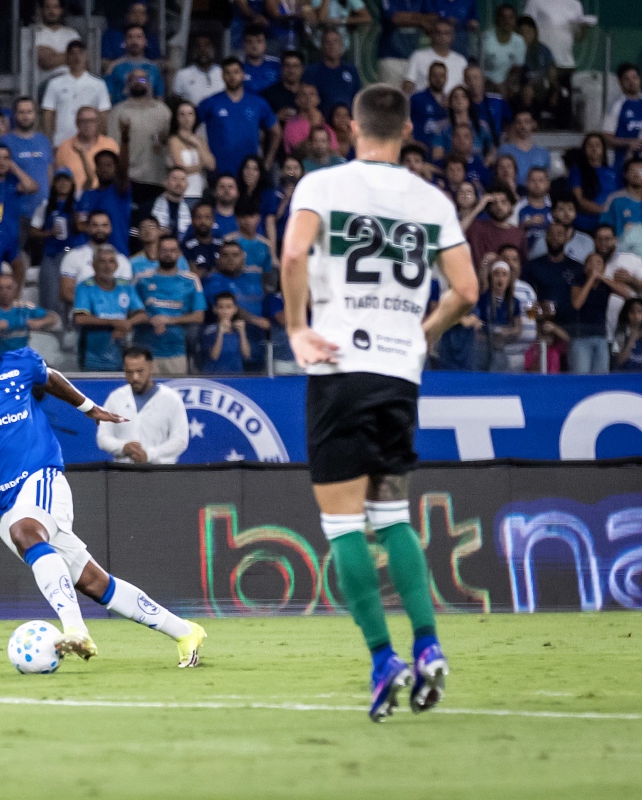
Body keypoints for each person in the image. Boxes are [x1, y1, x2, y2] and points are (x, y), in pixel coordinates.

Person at [280, 83, 478, 721]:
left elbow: (293, 252)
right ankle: (428, 644)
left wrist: (296, 327)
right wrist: (424, 333)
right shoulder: (432, 200)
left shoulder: (322, 185)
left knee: (343, 525)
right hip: (399, 376)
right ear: (408, 129)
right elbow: (467, 290)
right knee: (393, 516)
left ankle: (382, 659)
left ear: (351, 128)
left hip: (341, 368)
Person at [0, 301, 206, 664]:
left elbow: (51, 378)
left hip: (42, 476)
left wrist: (88, 408)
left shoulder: (22, 364)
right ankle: (185, 631)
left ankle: (76, 630)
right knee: (93, 582)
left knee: (26, 531)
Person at [96, 345, 191, 464]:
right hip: (124, 471)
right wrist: (123, 447)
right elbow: (103, 437)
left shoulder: (171, 399)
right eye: (129, 372)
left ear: (151, 367)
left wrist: (150, 454)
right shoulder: (115, 398)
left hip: (161, 471)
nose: (135, 377)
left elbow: (180, 440)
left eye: (140, 371)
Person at [134, 234, 206, 375]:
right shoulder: (141, 279)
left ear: (179, 253)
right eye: (164, 250)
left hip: (176, 351)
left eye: (173, 250)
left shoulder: (191, 280)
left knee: (175, 388)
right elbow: (131, 312)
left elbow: (199, 316)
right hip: (144, 351)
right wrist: (151, 320)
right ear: (157, 252)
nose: (168, 254)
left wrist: (169, 320)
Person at [200, 57, 280, 182]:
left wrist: (267, 163)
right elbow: (189, 127)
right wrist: (203, 155)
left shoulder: (258, 103)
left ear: (243, 74)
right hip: (218, 171)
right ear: (222, 76)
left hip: (249, 172)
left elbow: (276, 132)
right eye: (228, 72)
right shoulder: (210, 103)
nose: (232, 76)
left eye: (236, 72)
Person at [73, 244, 147, 370]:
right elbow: (80, 319)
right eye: (102, 262)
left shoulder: (126, 286)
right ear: (94, 265)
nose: (107, 266)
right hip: (92, 357)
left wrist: (127, 324)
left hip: (122, 355)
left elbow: (142, 315)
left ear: (117, 265)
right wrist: (114, 323)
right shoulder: (85, 287)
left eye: (111, 261)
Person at [29, 168, 81, 313]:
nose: (63, 184)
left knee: (73, 297)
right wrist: (49, 233)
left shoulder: (78, 205)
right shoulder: (46, 205)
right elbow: (33, 231)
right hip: (51, 255)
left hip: (72, 255)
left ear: (72, 184)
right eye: (60, 180)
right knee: (50, 297)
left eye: (66, 180)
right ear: (54, 184)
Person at [42, 40, 112, 146]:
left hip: (90, 143)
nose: (77, 57)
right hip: (61, 141)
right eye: (72, 53)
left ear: (86, 56)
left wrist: (101, 141)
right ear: (67, 57)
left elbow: (103, 115)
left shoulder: (98, 84)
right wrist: (48, 141)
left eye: (80, 53)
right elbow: (48, 113)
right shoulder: (54, 83)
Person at [0, 97, 53, 224]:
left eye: (29, 112)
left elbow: (49, 171)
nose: (25, 116)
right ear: (14, 115)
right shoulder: (5, 141)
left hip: (43, 211)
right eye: (21, 112)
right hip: (17, 211)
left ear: (35, 114)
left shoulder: (43, 140)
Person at [60, 210, 132, 305]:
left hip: (115, 312)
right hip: (82, 311)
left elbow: (126, 293)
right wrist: (93, 306)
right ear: (88, 228)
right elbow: (66, 293)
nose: (100, 229)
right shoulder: (73, 256)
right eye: (95, 225)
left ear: (110, 228)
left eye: (104, 225)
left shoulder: (122, 260)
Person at [53, 106, 117, 193]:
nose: (88, 125)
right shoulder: (64, 147)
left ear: (98, 122)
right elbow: (58, 177)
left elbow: (119, 174)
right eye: (83, 121)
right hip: (74, 197)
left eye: (92, 121)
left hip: (105, 196)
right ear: (77, 123)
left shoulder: (110, 145)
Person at [0, 273, 57, 354]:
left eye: (9, 288)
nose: (4, 292)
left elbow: (53, 317)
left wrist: (40, 322)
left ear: (15, 289)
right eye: (0, 288)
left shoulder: (25, 307)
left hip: (23, 356)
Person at [475, 259, 521, 371]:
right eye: (496, 274)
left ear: (509, 279)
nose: (500, 278)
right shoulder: (482, 299)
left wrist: (506, 332)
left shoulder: (514, 302)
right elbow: (475, 326)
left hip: (504, 347)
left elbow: (518, 329)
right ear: (491, 278)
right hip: (483, 347)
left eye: (504, 275)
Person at [403, 18, 468, 97]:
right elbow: (408, 84)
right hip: (424, 101)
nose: (442, 36)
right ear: (432, 35)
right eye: (438, 32)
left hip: (452, 102)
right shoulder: (418, 56)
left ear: (452, 36)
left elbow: (465, 88)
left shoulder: (461, 60)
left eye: (446, 33)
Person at [304, 28, 361, 117]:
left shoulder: (351, 70)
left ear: (341, 45)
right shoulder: (311, 71)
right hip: (321, 121)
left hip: (348, 121)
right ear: (322, 46)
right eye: (328, 42)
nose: (332, 45)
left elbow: (358, 98)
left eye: (335, 41)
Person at [376, 0, 433, 90]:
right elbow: (395, 18)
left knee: (416, 94)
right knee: (391, 94)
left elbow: (433, 18)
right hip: (392, 57)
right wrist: (421, 20)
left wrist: (408, 17)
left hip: (416, 57)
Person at [466, 183, 526, 266]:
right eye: (494, 203)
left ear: (511, 205)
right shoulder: (477, 227)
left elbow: (522, 265)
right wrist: (479, 206)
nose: (499, 206)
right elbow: (455, 232)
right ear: (489, 207)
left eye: (504, 202)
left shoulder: (519, 234)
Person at [167, 101, 214, 204]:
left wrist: (198, 146)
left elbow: (211, 165)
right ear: (177, 118)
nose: (186, 118)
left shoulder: (200, 140)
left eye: (190, 114)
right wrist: (201, 167)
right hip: (183, 193)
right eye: (182, 114)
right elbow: (180, 168)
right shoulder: (174, 140)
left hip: (199, 191)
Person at [570, 133, 618, 235]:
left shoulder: (613, 172)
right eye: (590, 145)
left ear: (603, 149)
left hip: (608, 226)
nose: (594, 148)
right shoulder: (577, 171)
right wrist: (605, 211)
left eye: (597, 145)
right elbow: (578, 200)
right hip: (584, 225)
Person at [603, 63, 642, 176]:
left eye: (634, 77)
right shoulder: (616, 106)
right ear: (620, 82)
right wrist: (630, 143)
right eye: (627, 79)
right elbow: (606, 137)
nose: (632, 82)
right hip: (623, 164)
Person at [33, 0, 80, 90]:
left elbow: (83, 61)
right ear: (41, 10)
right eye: (48, 7)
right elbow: (46, 61)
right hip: (46, 84)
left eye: (55, 7)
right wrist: (71, 56)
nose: (52, 11)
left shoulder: (72, 34)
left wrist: (54, 55)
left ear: (61, 10)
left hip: (73, 82)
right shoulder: (35, 33)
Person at [101, 1, 162, 71]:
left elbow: (158, 61)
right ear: (127, 14)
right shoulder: (111, 36)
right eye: (134, 12)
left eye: (142, 13)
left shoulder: (151, 38)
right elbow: (103, 62)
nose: (138, 17)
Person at [480, 3, 525, 94]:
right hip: (487, 84)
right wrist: (493, 85)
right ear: (497, 19)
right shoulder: (486, 38)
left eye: (510, 17)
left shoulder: (519, 41)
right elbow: (479, 67)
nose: (507, 21)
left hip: (508, 86)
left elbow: (517, 69)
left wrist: (504, 87)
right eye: (503, 17)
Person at [600, 158, 642, 257]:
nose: (636, 174)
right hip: (622, 253)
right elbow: (604, 227)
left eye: (640, 171)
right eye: (632, 171)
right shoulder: (615, 199)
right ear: (625, 174)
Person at [200, 291, 250, 374]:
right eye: (221, 307)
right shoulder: (209, 330)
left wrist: (242, 333)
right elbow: (214, 356)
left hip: (236, 375)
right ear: (215, 309)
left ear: (235, 309)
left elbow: (246, 355)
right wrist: (220, 333)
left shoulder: (239, 329)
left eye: (228, 307)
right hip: (213, 376)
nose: (224, 311)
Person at [498, 110, 549, 189]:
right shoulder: (504, 150)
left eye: (527, 122)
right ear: (514, 125)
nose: (523, 126)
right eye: (519, 122)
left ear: (533, 124)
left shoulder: (543, 153)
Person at [409, 62, 450, 148]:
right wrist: (413, 142)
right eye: (435, 75)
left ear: (446, 78)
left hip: (444, 150)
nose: (438, 79)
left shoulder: (451, 102)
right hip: (420, 148)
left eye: (442, 76)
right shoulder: (417, 99)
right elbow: (405, 123)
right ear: (429, 77)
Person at [182, 202, 223, 275]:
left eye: (207, 217)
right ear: (192, 220)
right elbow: (191, 273)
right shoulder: (186, 246)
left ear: (213, 220)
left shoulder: (221, 243)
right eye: (198, 217)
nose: (203, 221)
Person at [151, 168, 191, 237]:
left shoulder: (192, 210)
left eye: (183, 179)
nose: (179, 183)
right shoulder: (150, 206)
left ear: (187, 185)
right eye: (174, 179)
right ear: (165, 182)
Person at [240, 27, 280, 93]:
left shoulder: (277, 64)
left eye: (259, 41)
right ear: (244, 44)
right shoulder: (238, 66)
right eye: (249, 41)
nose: (254, 45)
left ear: (265, 44)